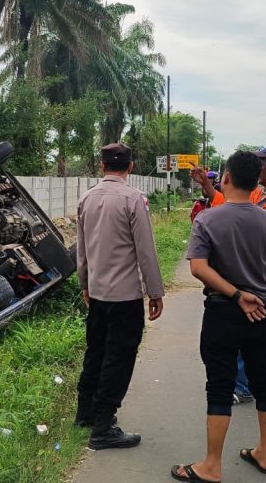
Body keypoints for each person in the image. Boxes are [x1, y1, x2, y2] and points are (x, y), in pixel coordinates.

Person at [173, 150, 266, 483]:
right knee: (265, 383)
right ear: (254, 182)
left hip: (223, 312)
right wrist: (264, 299)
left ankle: (211, 466)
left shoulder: (208, 219)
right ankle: (264, 454)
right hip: (262, 313)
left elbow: (198, 268)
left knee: (219, 388)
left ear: (228, 178)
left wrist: (235, 294)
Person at [192, 144, 266, 405]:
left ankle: (248, 387)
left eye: (262, 162)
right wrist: (207, 186)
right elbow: (229, 203)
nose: (257, 166)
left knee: (258, 329)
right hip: (260, 276)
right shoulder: (261, 196)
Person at [75, 142, 165, 450]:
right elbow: (146, 251)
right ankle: (103, 427)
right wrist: (155, 292)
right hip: (125, 297)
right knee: (120, 357)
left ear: (102, 166)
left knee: (96, 351)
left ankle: (85, 412)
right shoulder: (134, 199)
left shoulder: (86, 198)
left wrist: (85, 283)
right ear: (129, 167)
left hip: (98, 294)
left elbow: (82, 249)